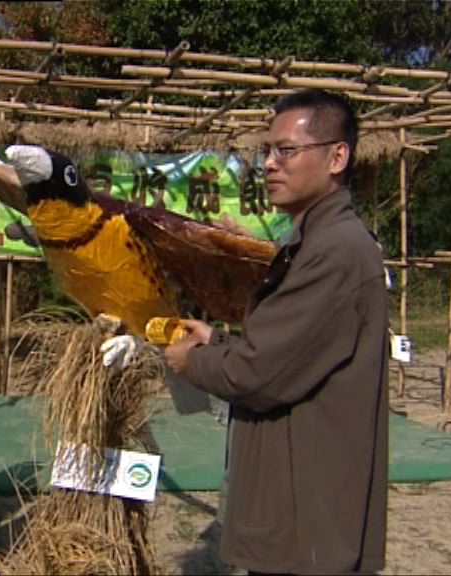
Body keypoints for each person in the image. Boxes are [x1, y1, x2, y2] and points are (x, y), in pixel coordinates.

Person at [164, 89, 388, 575]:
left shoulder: (335, 252)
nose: (268, 164)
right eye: (266, 151)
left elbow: (258, 374)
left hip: (306, 514)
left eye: (286, 150)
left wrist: (191, 360)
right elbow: (290, 349)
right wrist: (216, 341)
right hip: (296, 500)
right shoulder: (315, 241)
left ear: (337, 157)